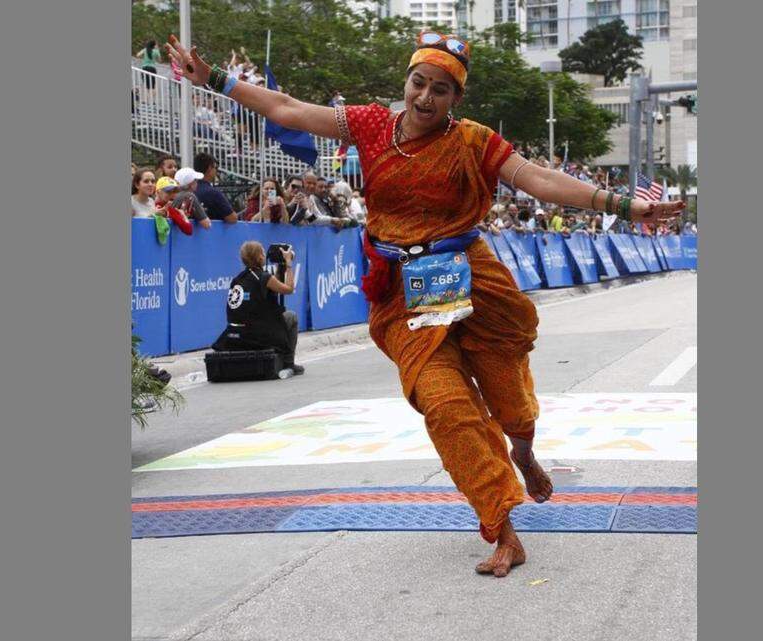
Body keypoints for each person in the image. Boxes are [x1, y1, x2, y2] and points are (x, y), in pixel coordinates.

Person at [168, 30, 682, 578]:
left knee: (509, 400)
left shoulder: (474, 142)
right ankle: (502, 527)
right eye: (419, 83)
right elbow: (288, 108)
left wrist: (621, 205)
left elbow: (537, 179)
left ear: (456, 98)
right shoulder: (369, 125)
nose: (425, 97)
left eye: (440, 89)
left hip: (474, 283)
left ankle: (524, 450)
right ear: (406, 82)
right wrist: (216, 79)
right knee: (445, 405)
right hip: (402, 293)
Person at [212, 241, 305, 375]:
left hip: (234, 334)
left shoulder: (238, 279)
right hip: (258, 335)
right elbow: (289, 289)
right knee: (291, 316)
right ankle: (288, 363)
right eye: (263, 252)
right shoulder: (263, 277)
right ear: (260, 257)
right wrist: (289, 264)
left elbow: (272, 287)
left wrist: (280, 267)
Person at [192, 152, 238, 223]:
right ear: (209, 168)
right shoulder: (213, 193)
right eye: (215, 168)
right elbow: (232, 218)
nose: (216, 171)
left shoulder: (188, 190)